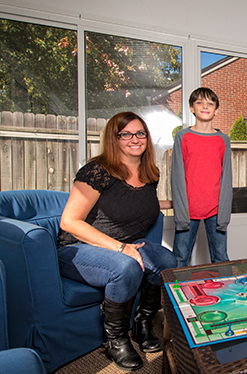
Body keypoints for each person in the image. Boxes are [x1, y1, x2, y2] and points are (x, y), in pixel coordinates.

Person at [56, 111, 177, 371]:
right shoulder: (97, 170)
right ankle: (116, 339)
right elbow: (69, 222)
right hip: (78, 248)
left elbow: (138, 203)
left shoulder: (150, 173)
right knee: (126, 267)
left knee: (167, 261)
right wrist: (120, 248)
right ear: (115, 138)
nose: (135, 139)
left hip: (125, 244)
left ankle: (142, 323)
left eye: (140, 133)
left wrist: (179, 205)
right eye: (126, 134)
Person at [171, 87, 232, 267]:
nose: (205, 106)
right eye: (199, 102)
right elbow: (176, 176)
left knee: (220, 258)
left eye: (210, 103)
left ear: (216, 110)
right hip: (188, 211)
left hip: (216, 210)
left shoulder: (223, 140)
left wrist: (224, 215)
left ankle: (224, 294)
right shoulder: (183, 137)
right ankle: (174, 296)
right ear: (191, 108)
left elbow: (226, 178)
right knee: (180, 259)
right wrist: (180, 213)